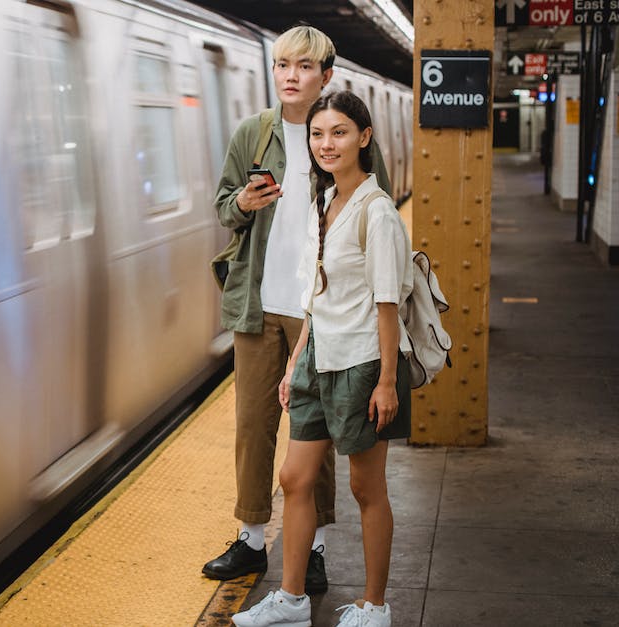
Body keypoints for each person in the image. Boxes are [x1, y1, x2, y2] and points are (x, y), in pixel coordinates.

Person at [203, 25, 391, 595]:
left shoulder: (342, 134)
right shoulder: (253, 134)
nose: (290, 75)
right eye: (283, 64)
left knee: (318, 431)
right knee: (252, 426)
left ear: (326, 75)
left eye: (304, 66)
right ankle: (251, 538)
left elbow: (369, 208)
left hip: (322, 310)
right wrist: (241, 202)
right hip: (259, 302)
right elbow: (222, 205)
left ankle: (312, 548)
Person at [231, 91, 411, 627]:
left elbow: (387, 305)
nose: (326, 144)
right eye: (317, 134)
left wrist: (386, 382)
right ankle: (290, 599)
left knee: (365, 487)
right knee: (295, 477)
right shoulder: (323, 200)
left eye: (338, 133)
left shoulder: (376, 213)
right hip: (316, 358)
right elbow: (318, 293)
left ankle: (375, 607)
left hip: (359, 365)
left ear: (364, 137)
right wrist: (294, 363)